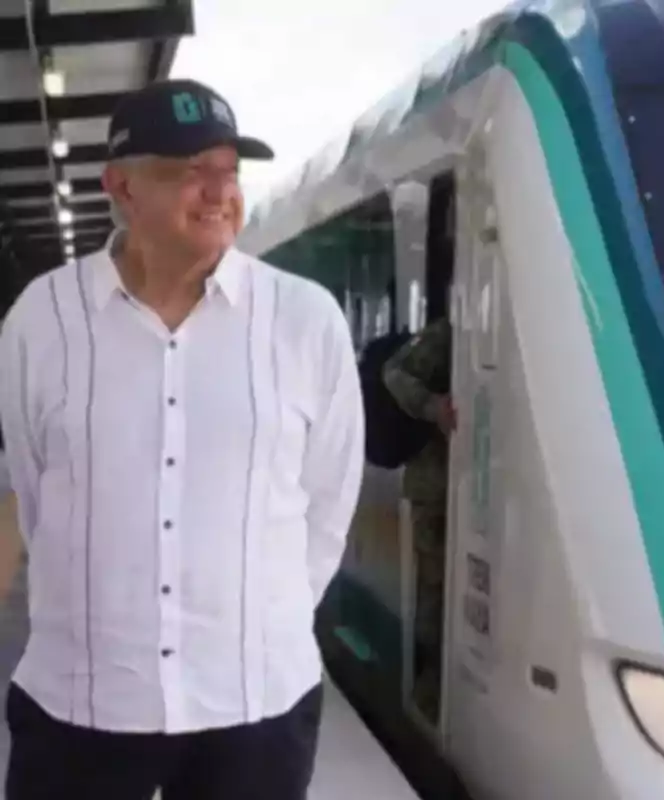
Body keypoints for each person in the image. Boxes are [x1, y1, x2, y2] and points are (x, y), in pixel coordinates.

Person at [0, 78, 365, 799]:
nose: (216, 192)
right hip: (83, 699)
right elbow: (30, 489)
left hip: (256, 703)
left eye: (227, 170)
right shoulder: (43, 320)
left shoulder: (304, 321)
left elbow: (329, 504)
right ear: (122, 188)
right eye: (185, 172)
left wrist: (256, 620)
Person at [382, 313, 454, 723]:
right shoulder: (450, 331)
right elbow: (394, 372)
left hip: (477, 485)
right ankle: (430, 694)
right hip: (436, 487)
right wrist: (433, 407)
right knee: (434, 592)